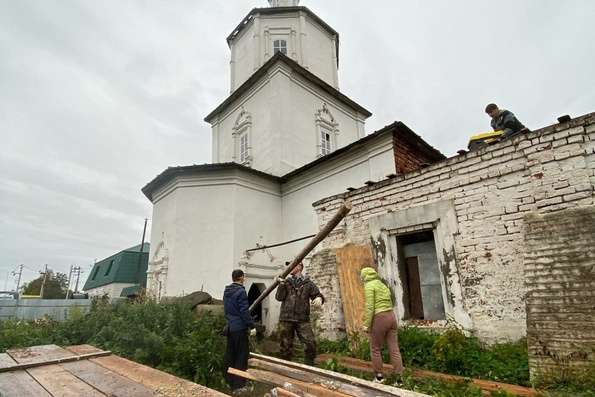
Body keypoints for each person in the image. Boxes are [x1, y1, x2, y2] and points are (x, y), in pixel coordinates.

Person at [360, 267, 404, 384]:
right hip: (391, 316)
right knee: (394, 349)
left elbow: (370, 306)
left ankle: (379, 377)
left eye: (362, 276)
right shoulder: (382, 285)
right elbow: (392, 301)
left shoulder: (369, 286)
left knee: (375, 348)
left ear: (365, 276)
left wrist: (366, 324)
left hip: (380, 317)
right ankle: (399, 379)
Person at [275, 262, 324, 365]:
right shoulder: (286, 282)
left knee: (310, 344)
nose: (289, 267)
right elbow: (279, 297)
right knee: (285, 346)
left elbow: (317, 294)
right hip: (286, 318)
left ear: (299, 267)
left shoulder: (308, 283)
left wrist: (319, 298)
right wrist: (281, 285)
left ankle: (308, 367)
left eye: (292, 265)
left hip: (302, 319)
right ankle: (285, 368)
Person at [223, 269, 256, 393]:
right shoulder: (241, 291)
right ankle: (239, 385)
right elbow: (244, 311)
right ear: (241, 277)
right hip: (240, 328)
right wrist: (251, 326)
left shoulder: (227, 291)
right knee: (241, 356)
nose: (244, 279)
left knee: (230, 354)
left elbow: (226, 310)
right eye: (243, 277)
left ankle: (228, 381)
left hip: (230, 327)